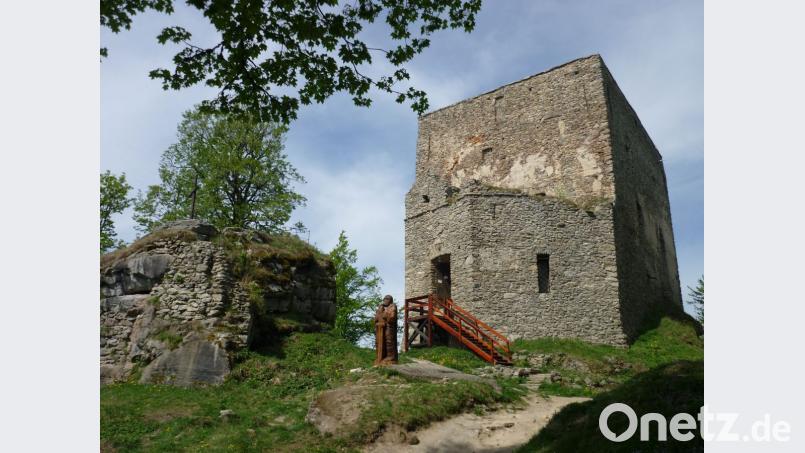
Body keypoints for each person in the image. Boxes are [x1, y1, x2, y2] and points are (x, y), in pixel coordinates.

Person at [374, 295, 398, 365]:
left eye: (387, 299)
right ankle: (380, 357)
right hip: (381, 328)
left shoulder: (392, 306)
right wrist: (379, 311)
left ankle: (391, 357)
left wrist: (384, 313)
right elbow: (376, 319)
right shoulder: (381, 308)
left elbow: (392, 317)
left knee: (389, 341)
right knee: (379, 342)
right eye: (384, 299)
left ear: (390, 300)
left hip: (389, 327)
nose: (385, 300)